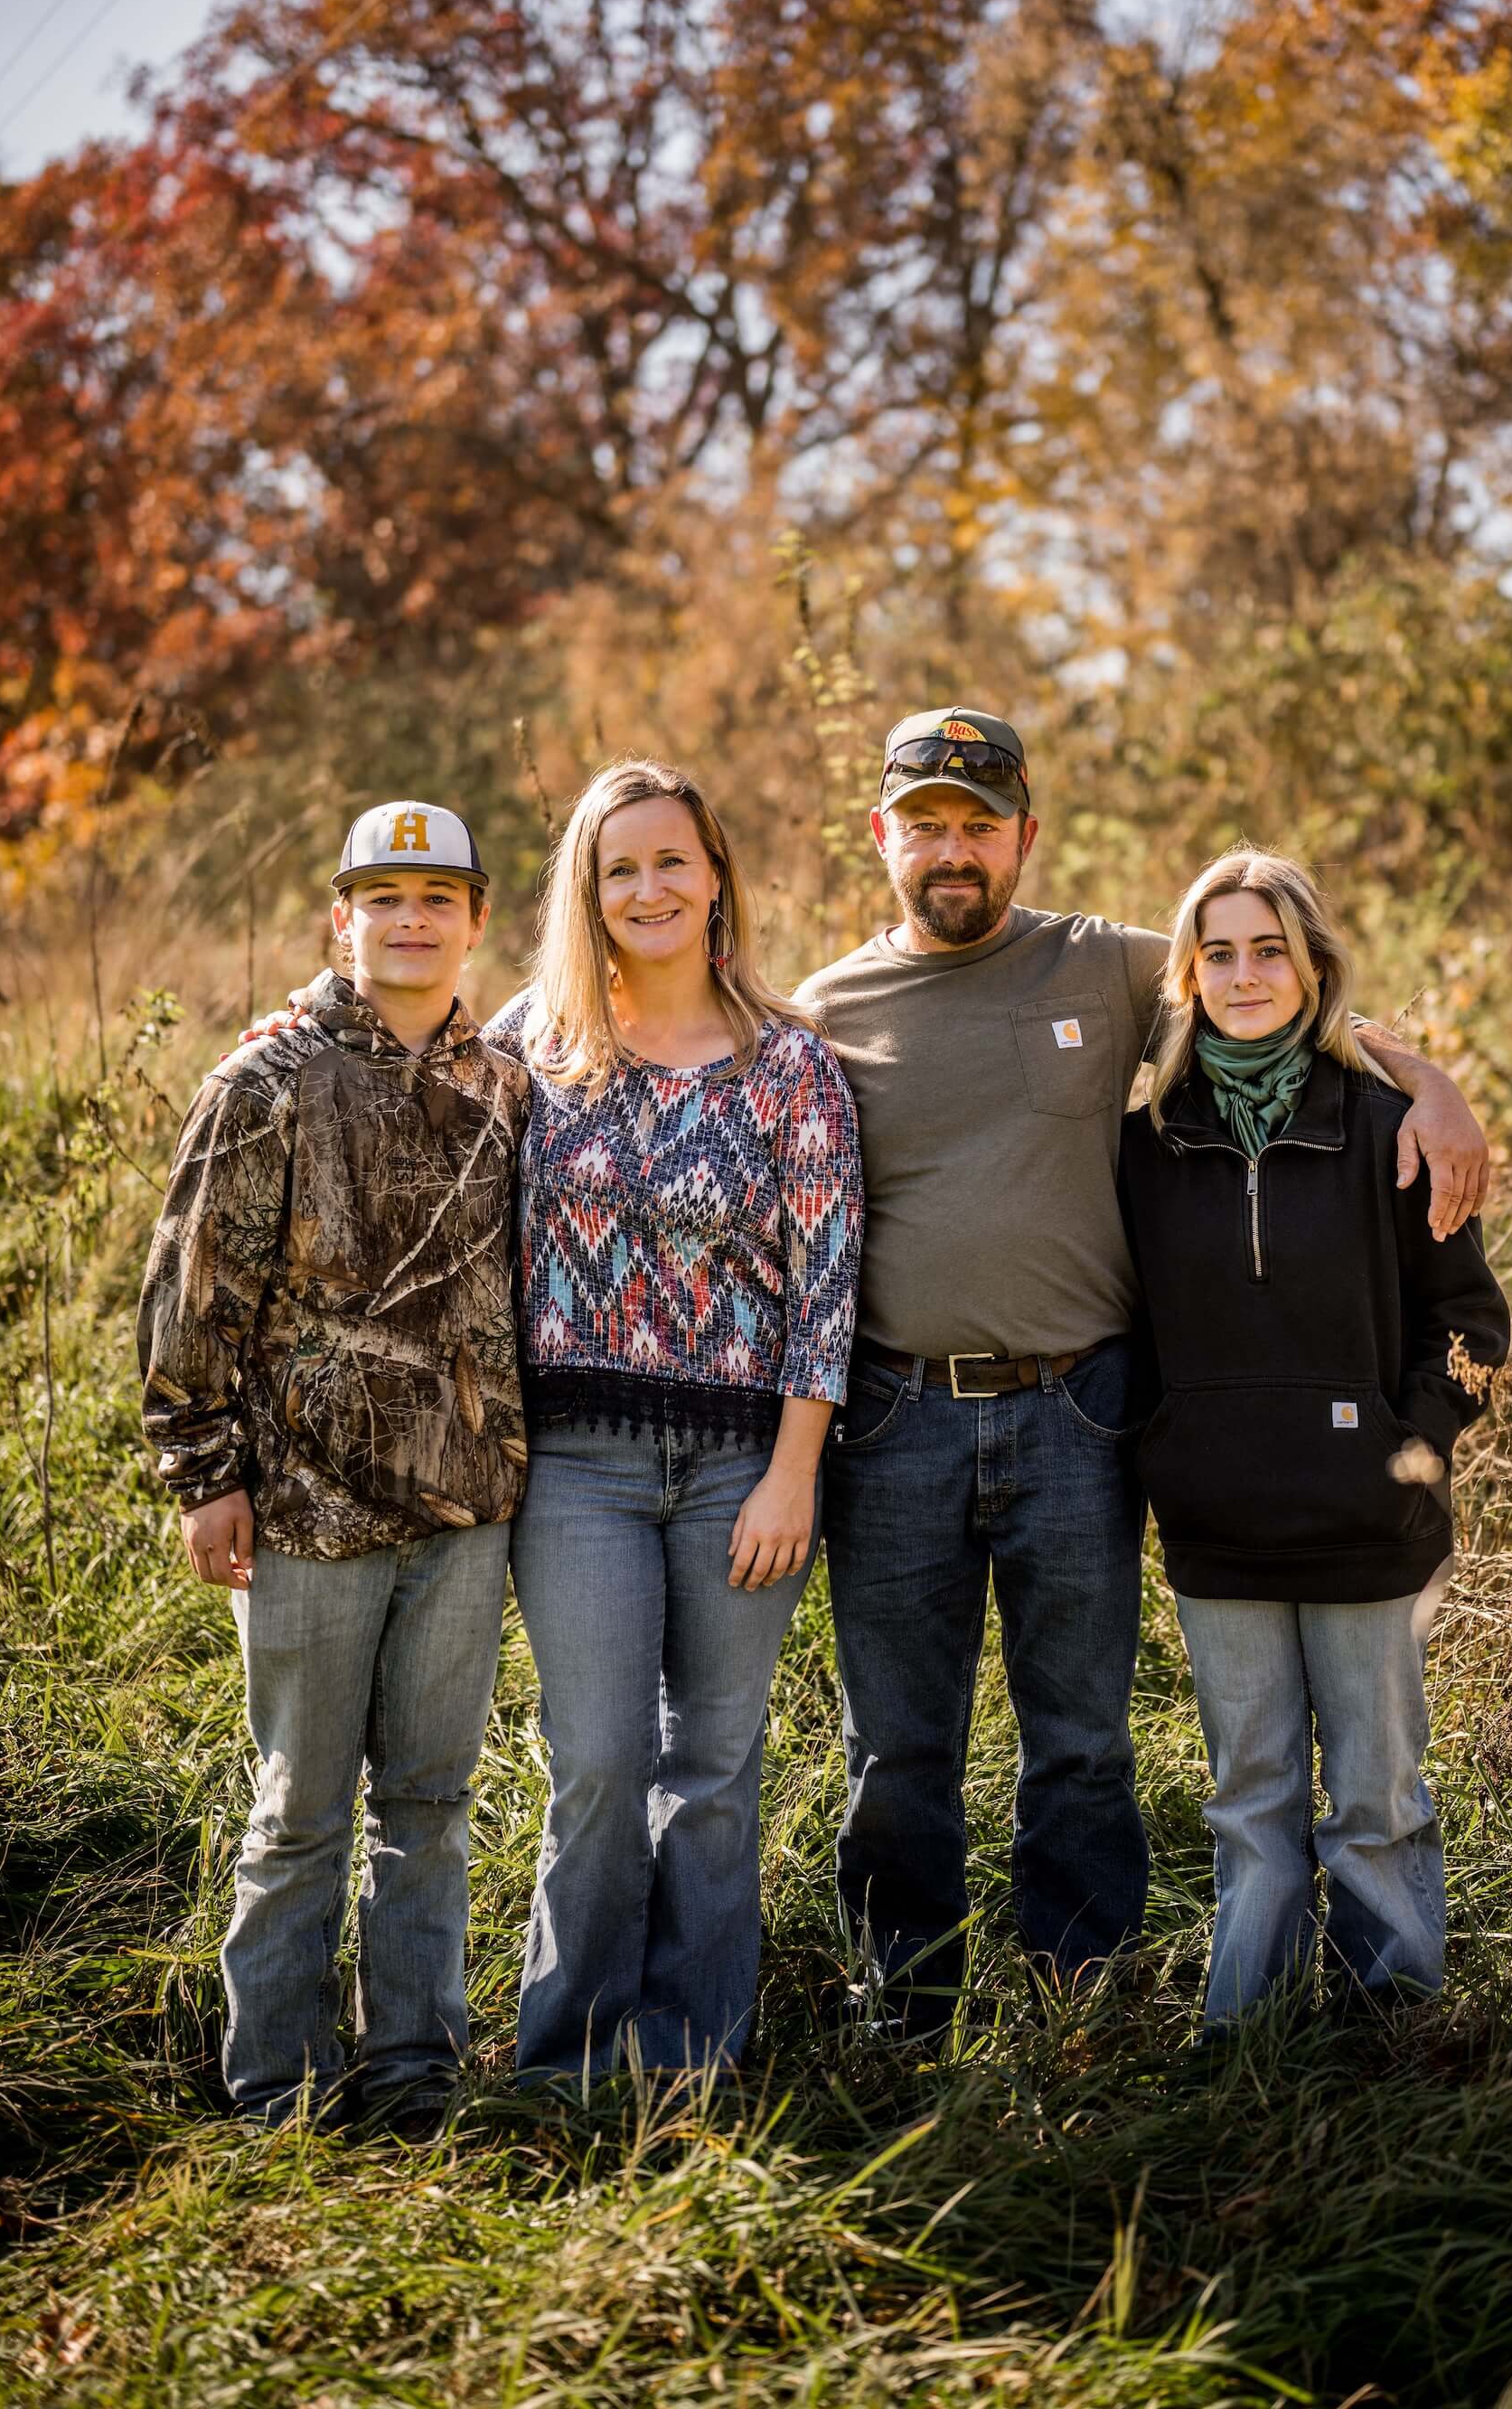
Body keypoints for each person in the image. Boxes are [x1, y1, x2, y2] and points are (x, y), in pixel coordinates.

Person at [797, 709, 1492, 2038]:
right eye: (927, 822)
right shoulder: (823, 1012)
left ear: (1025, 837)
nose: (955, 849)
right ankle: (907, 2006)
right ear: (882, 835)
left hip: (1077, 1409)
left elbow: (1277, 996)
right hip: (893, 1419)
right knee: (898, 1748)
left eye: (980, 825)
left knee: (1082, 1740)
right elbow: (630, 1021)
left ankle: (1084, 1998)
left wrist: (1439, 1086)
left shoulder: (1104, 968)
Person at [137, 801, 529, 2129]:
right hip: (303, 1514)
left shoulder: (505, 1082)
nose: (409, 919)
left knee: (430, 1803)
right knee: (300, 1812)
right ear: (341, 919)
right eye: (382, 897)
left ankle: (415, 2071)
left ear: (477, 919)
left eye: (436, 897)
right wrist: (204, 1472)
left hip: (465, 1509)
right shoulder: (267, 1079)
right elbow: (194, 1285)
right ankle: (277, 2093)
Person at [484, 758, 863, 2080]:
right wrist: (301, 1011)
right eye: (619, 867)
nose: (649, 887)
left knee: (711, 1771)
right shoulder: (531, 1046)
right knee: (594, 1765)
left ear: (716, 880)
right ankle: (570, 2062)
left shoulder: (792, 1068)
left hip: (739, 1473)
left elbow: (828, 1288)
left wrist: (792, 1475)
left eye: (671, 862)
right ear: (588, 895)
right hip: (575, 1470)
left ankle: (693, 2061)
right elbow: (401, 1067)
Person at [1117, 847, 1509, 2025]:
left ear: (1312, 965)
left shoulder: (1387, 1129)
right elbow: (1123, 1322)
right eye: (1220, 952)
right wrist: (1165, 1443)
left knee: (1379, 1798)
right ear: (1189, 973)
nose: (1245, 975)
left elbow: (1472, 1325)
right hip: (1215, 1524)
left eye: (1269, 949)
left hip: (1369, 1527)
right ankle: (1244, 2038)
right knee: (1249, 1798)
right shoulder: (1145, 1146)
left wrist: (1409, 1449)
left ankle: (1393, 2031)